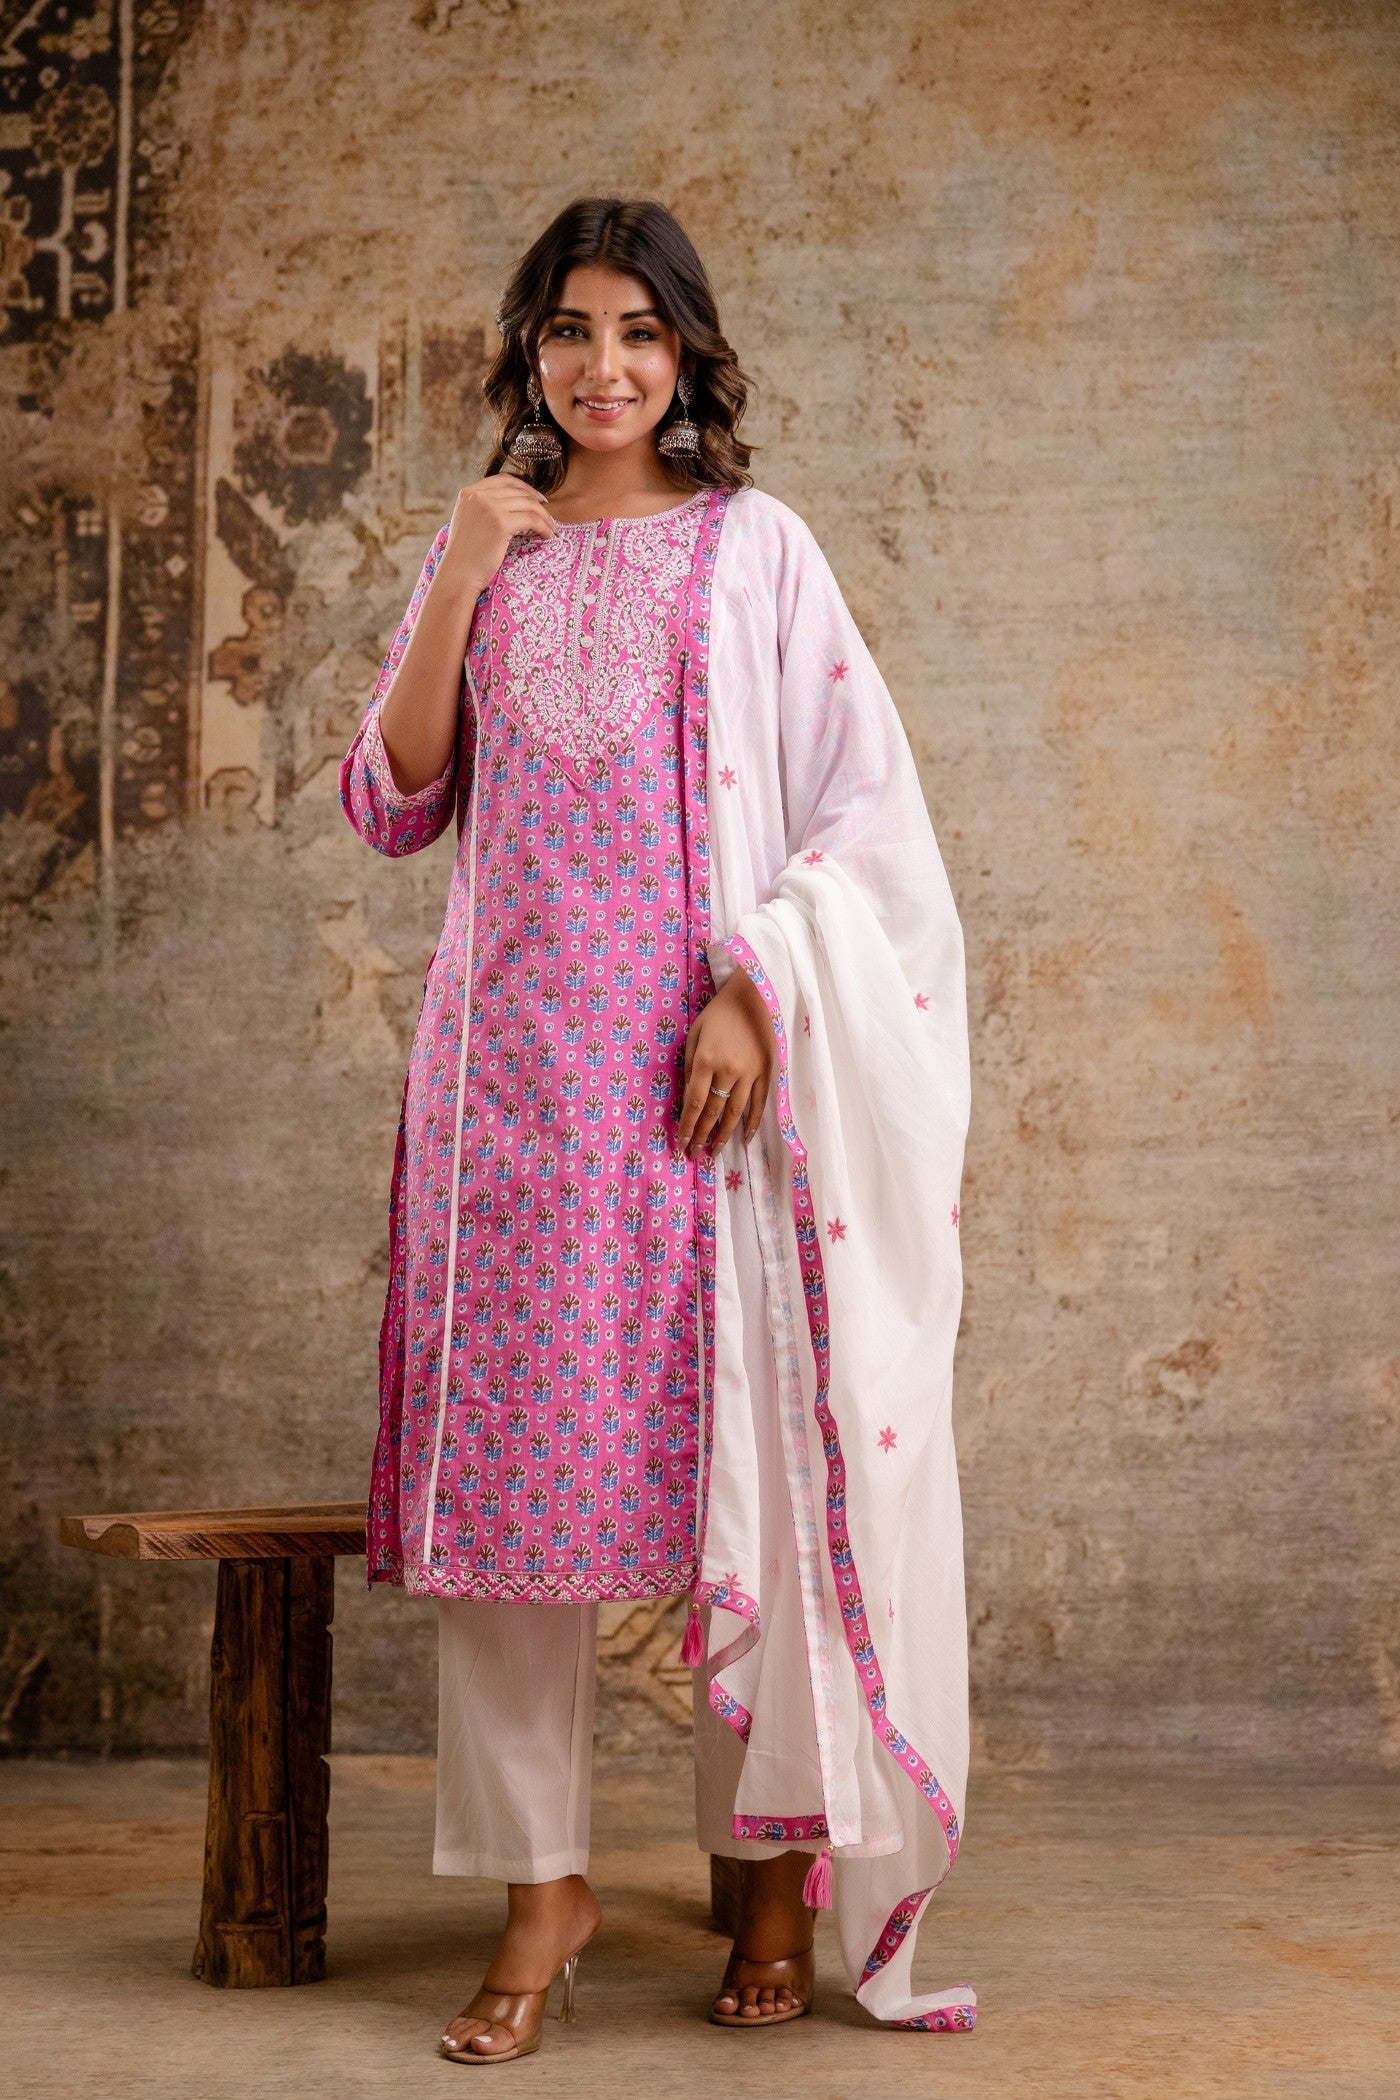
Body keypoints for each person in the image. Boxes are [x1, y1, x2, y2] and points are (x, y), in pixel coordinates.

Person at [339, 195, 975, 2063]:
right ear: (525, 353)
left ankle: (767, 1872)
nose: (601, 367)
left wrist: (755, 990)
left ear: (686, 355)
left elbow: (869, 821)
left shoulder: (754, 550)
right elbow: (393, 803)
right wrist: (461, 564)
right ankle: (543, 1886)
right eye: (568, 331)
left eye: (637, 332)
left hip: (708, 1103)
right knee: (506, 1524)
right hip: (508, 1101)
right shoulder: (494, 548)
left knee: (751, 1482)